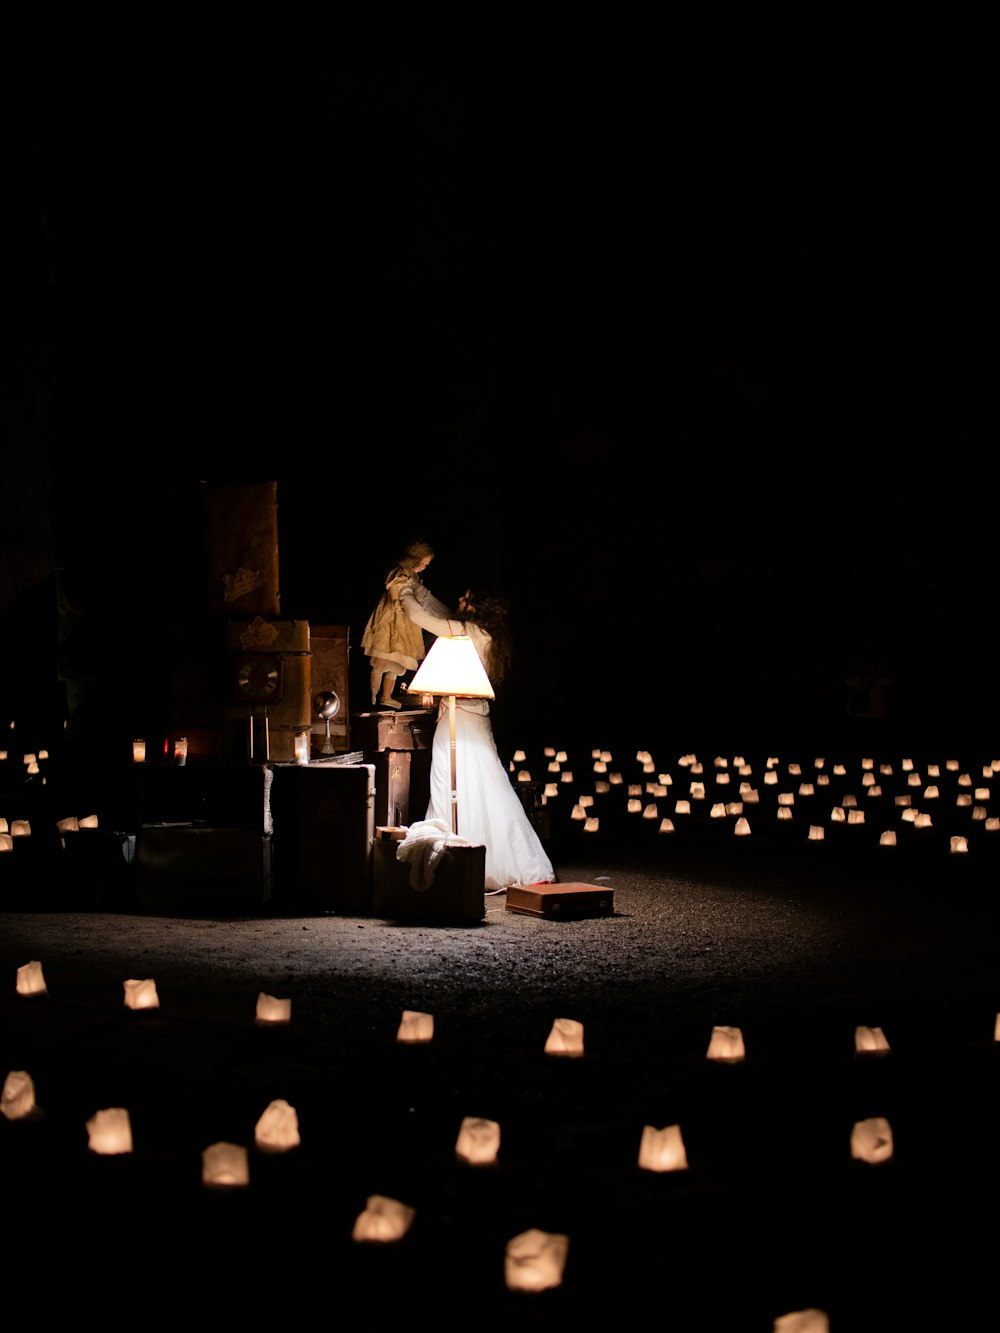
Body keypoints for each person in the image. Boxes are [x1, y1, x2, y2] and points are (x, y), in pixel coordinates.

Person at [399, 583, 555, 891]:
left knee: (451, 781)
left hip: (462, 717)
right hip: (475, 714)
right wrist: (420, 588)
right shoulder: (481, 632)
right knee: (487, 784)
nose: (459, 600)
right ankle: (490, 855)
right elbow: (440, 610)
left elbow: (422, 616)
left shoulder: (466, 631)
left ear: (476, 606)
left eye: (466, 598)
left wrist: (404, 592)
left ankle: (457, 854)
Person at [360, 540, 448, 709]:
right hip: (393, 617)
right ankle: (373, 693)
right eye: (423, 563)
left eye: (425, 564)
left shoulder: (413, 576)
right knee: (384, 652)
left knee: (400, 657)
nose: (424, 567)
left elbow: (419, 594)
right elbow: (394, 585)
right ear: (415, 559)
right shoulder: (400, 572)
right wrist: (395, 602)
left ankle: (386, 695)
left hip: (406, 620)